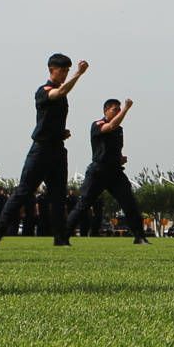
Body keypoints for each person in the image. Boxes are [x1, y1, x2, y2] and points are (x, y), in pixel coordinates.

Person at [0, 55, 86, 246]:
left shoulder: (62, 94)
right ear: (51, 69)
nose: (65, 74)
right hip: (41, 150)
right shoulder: (44, 91)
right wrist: (79, 74)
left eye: (68, 70)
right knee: (23, 192)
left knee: (58, 196)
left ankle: (60, 238)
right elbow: (58, 93)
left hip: (57, 150)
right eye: (62, 70)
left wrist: (60, 132)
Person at [73, 98, 147, 243]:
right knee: (84, 204)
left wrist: (119, 158)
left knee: (129, 203)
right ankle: (64, 234)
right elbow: (110, 126)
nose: (118, 112)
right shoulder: (98, 124)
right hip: (99, 171)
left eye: (119, 109)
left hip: (115, 172)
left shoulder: (119, 130)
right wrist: (126, 109)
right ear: (106, 111)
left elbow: (113, 148)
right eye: (115, 110)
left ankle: (139, 236)